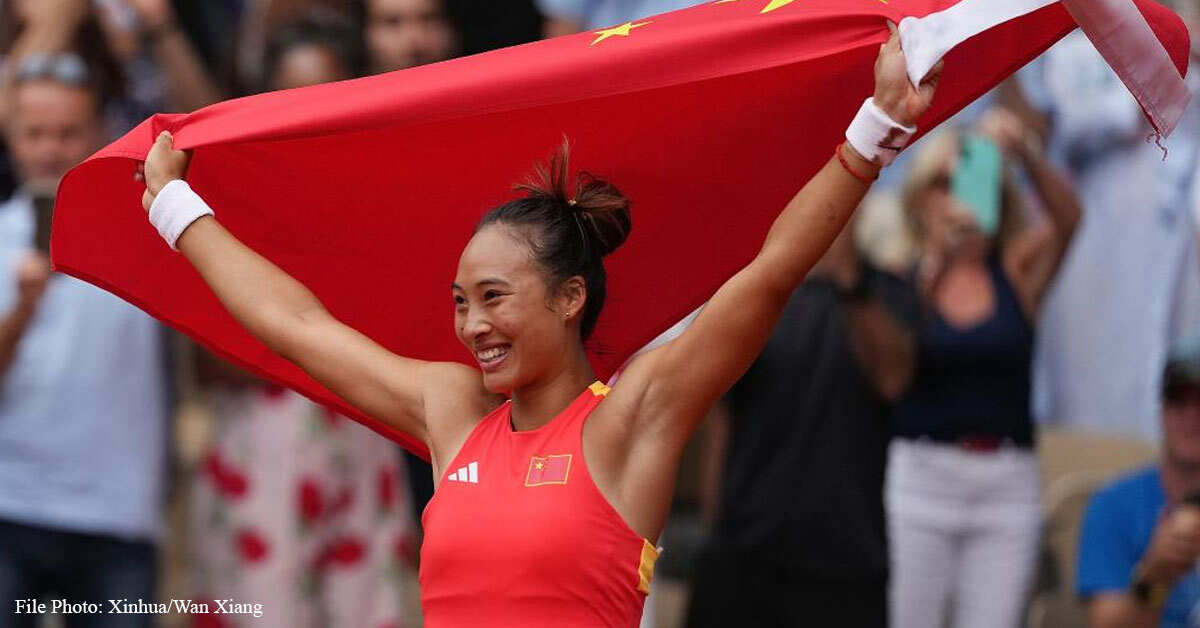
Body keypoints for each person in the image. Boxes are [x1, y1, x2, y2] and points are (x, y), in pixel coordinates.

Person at [136, 29, 942, 626]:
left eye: (493, 297)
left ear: (569, 298)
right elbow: (296, 324)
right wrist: (175, 206)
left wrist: (876, 128)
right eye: (460, 301)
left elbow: (769, 275)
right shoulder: (451, 412)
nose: (471, 325)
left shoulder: (631, 420)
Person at [186, 16, 415, 628]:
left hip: (364, 436)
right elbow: (205, 359)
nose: (308, 113)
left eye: (326, 95)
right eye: (290, 96)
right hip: (262, 448)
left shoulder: (382, 195)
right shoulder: (225, 199)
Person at [882, 108, 1083, 628]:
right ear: (920, 199)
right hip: (922, 478)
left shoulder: (1014, 272)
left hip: (1005, 481)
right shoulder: (901, 278)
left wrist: (1024, 155)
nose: (960, 197)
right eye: (944, 184)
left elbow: (1069, 220)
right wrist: (935, 265)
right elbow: (891, 372)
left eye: (973, 182)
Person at [0, 55, 168, 628]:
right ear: (12, 137)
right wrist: (22, 311)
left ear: (99, 132)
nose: (49, 149)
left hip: (118, 511)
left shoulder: (146, 231)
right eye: (34, 133)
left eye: (67, 132)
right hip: (11, 505)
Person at [685, 218, 911, 627]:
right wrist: (714, 529)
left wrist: (850, 282)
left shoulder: (887, 291)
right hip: (747, 551)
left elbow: (892, 380)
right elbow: (720, 416)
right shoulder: (756, 290)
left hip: (847, 560)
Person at [1077, 335, 1200, 628]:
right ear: (1161, 408)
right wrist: (1155, 576)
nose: (1192, 416)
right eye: (1178, 400)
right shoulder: (1114, 506)